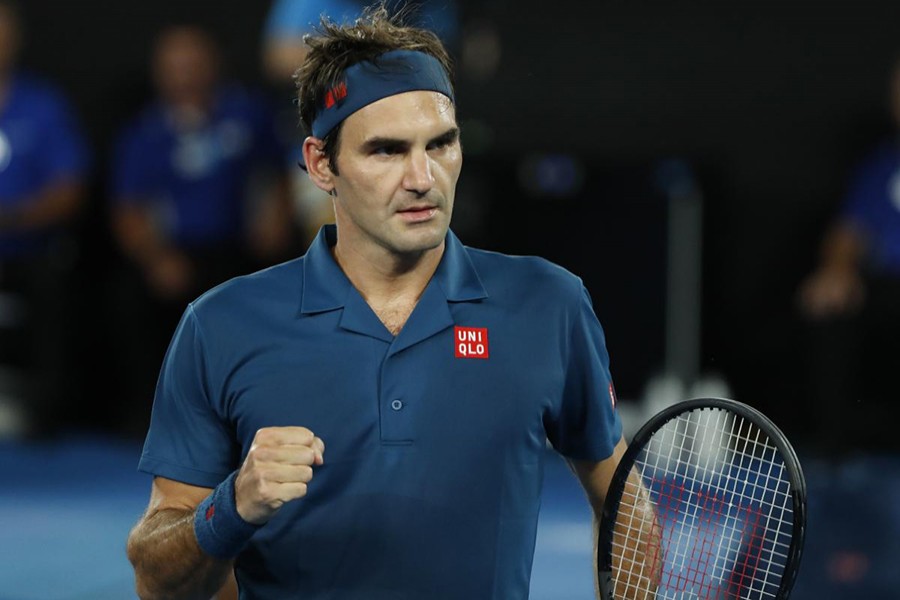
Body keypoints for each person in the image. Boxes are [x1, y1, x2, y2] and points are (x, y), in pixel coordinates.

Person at [127, 6, 656, 598]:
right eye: (386, 150)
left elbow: (622, 497)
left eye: (441, 143)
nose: (423, 176)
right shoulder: (219, 325)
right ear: (320, 164)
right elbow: (155, 578)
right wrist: (232, 506)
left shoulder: (549, 303)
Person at [109, 25, 295, 434]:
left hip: (239, 250)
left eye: (194, 65)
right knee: (133, 297)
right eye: (175, 67)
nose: (186, 76)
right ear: (159, 73)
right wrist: (157, 258)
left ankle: (260, 411)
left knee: (280, 287)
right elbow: (128, 209)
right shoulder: (144, 132)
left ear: (214, 66)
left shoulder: (246, 113)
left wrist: (276, 218)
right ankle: (153, 417)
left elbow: (277, 173)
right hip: (176, 251)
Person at [797, 57, 900, 455]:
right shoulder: (881, 166)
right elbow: (847, 233)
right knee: (828, 307)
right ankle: (834, 452)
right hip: (886, 289)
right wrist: (836, 271)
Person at [0, 0, 90, 435]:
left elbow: (69, 190)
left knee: (55, 287)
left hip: (29, 251)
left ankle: (43, 419)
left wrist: (12, 218)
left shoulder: (43, 104)